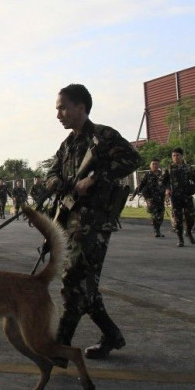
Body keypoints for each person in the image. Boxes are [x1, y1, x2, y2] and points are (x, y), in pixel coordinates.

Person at [46, 83, 140, 363]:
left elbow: (132, 159)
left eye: (63, 107)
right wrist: (59, 183)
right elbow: (51, 174)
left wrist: (96, 178)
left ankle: (60, 346)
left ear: (81, 107)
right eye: (58, 109)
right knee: (84, 285)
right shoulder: (67, 145)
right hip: (69, 220)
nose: (59, 114)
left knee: (73, 280)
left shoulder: (104, 136)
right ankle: (111, 336)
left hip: (94, 223)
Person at [161, 147, 195, 247]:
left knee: (191, 217)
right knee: (178, 219)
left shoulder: (188, 168)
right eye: (173, 156)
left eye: (177, 155)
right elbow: (162, 181)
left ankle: (188, 231)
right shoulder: (169, 168)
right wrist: (167, 190)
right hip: (175, 197)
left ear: (182, 156)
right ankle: (180, 239)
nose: (175, 158)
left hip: (187, 196)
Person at [129, 158, 166, 237]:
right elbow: (140, 185)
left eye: (156, 164)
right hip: (150, 197)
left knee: (161, 215)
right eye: (153, 164)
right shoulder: (147, 175)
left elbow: (167, 185)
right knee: (155, 214)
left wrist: (168, 193)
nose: (155, 166)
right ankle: (156, 231)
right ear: (150, 166)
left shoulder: (162, 175)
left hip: (160, 198)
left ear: (159, 165)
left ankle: (158, 229)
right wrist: (133, 195)